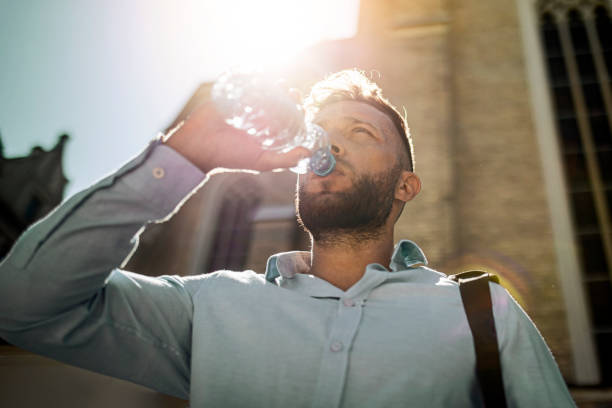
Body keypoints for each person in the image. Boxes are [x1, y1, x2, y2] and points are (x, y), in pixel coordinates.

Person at [0, 70, 575, 407]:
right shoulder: (210, 306)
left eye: (360, 132)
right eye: (323, 133)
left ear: (407, 185)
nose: (333, 145)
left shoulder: (483, 311)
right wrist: (180, 159)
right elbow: (21, 306)